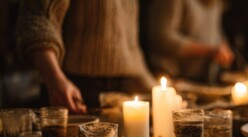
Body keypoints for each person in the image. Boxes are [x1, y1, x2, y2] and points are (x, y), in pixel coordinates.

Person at [17, 0, 157, 113]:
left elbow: (126, 47)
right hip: (74, 93)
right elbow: (38, 18)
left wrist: (158, 91)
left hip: (123, 95)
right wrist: (54, 78)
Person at [148, 0, 234, 84]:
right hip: (172, 78)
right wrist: (209, 51)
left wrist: (224, 47)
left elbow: (216, 32)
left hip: (202, 78)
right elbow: (163, 37)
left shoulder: (216, 3)